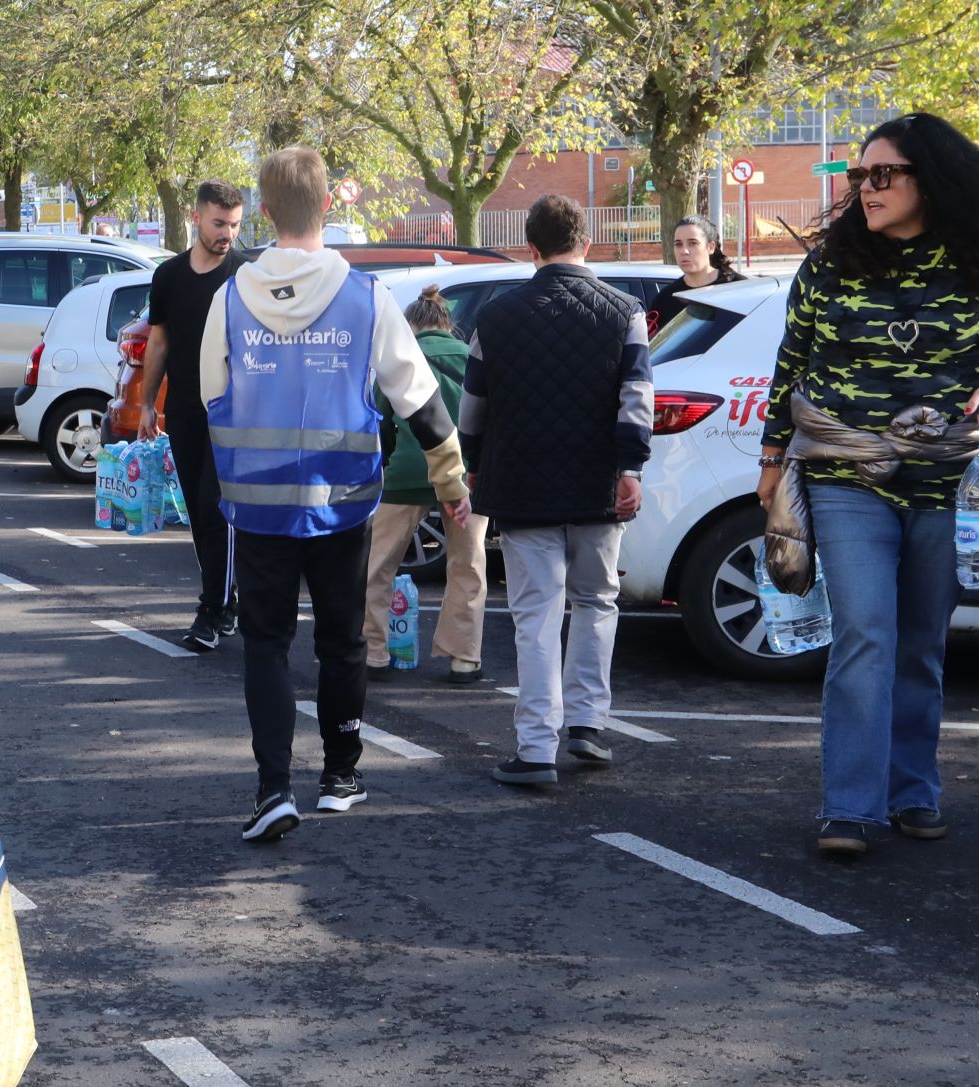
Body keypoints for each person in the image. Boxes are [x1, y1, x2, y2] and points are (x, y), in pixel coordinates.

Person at [757, 112, 979, 856]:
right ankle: (849, 808)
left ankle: (913, 791)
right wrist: (771, 469)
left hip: (948, 478)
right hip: (844, 474)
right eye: (860, 175)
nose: (868, 188)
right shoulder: (831, 264)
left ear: (929, 179)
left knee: (920, 643)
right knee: (865, 631)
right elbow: (790, 366)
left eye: (884, 174)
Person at [200, 147, 468, 841]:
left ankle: (271, 789)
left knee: (264, 644)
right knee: (343, 642)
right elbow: (421, 401)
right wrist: (450, 481)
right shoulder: (367, 298)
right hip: (341, 502)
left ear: (262, 212)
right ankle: (341, 775)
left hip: (256, 507)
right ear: (327, 206)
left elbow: (210, 397)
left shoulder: (229, 297)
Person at [459, 193, 651, 787]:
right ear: (586, 243)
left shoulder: (493, 318)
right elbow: (636, 399)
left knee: (535, 616)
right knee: (596, 602)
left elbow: (473, 410)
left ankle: (536, 748)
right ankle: (589, 725)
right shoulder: (625, 312)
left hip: (520, 486)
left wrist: (474, 465)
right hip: (597, 485)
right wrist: (630, 468)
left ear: (531, 249)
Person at [140, 179, 247, 652]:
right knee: (200, 517)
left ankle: (211, 609)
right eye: (219, 223)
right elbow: (158, 342)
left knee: (215, 507)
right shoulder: (168, 276)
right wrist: (147, 404)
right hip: (182, 409)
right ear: (197, 217)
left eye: (235, 225)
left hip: (234, 414)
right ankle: (227, 601)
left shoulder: (245, 275)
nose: (227, 233)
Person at [363, 284, 485, 685]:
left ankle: (375, 653)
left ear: (411, 325)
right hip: (465, 478)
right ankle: (462, 657)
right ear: (447, 324)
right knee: (467, 566)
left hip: (404, 475)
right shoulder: (471, 360)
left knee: (378, 565)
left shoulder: (401, 361)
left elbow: (382, 423)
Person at [649, 215, 745, 332]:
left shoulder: (742, 289)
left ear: (710, 247)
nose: (684, 251)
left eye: (693, 243)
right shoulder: (665, 299)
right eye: (678, 244)